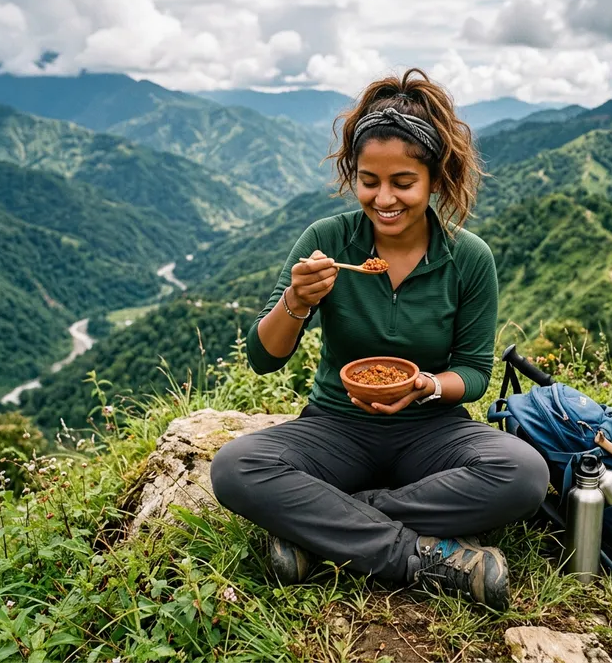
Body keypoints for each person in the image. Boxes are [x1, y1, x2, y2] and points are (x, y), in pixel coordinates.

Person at [210, 68, 549, 609]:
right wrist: (296, 302)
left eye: (403, 183)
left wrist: (427, 386)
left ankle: (321, 526)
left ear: (435, 179)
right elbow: (262, 357)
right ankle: (427, 558)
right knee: (235, 468)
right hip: (336, 428)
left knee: (525, 474)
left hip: (431, 433)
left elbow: (474, 373)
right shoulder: (328, 241)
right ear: (354, 175)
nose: (384, 198)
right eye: (369, 180)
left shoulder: (468, 257)